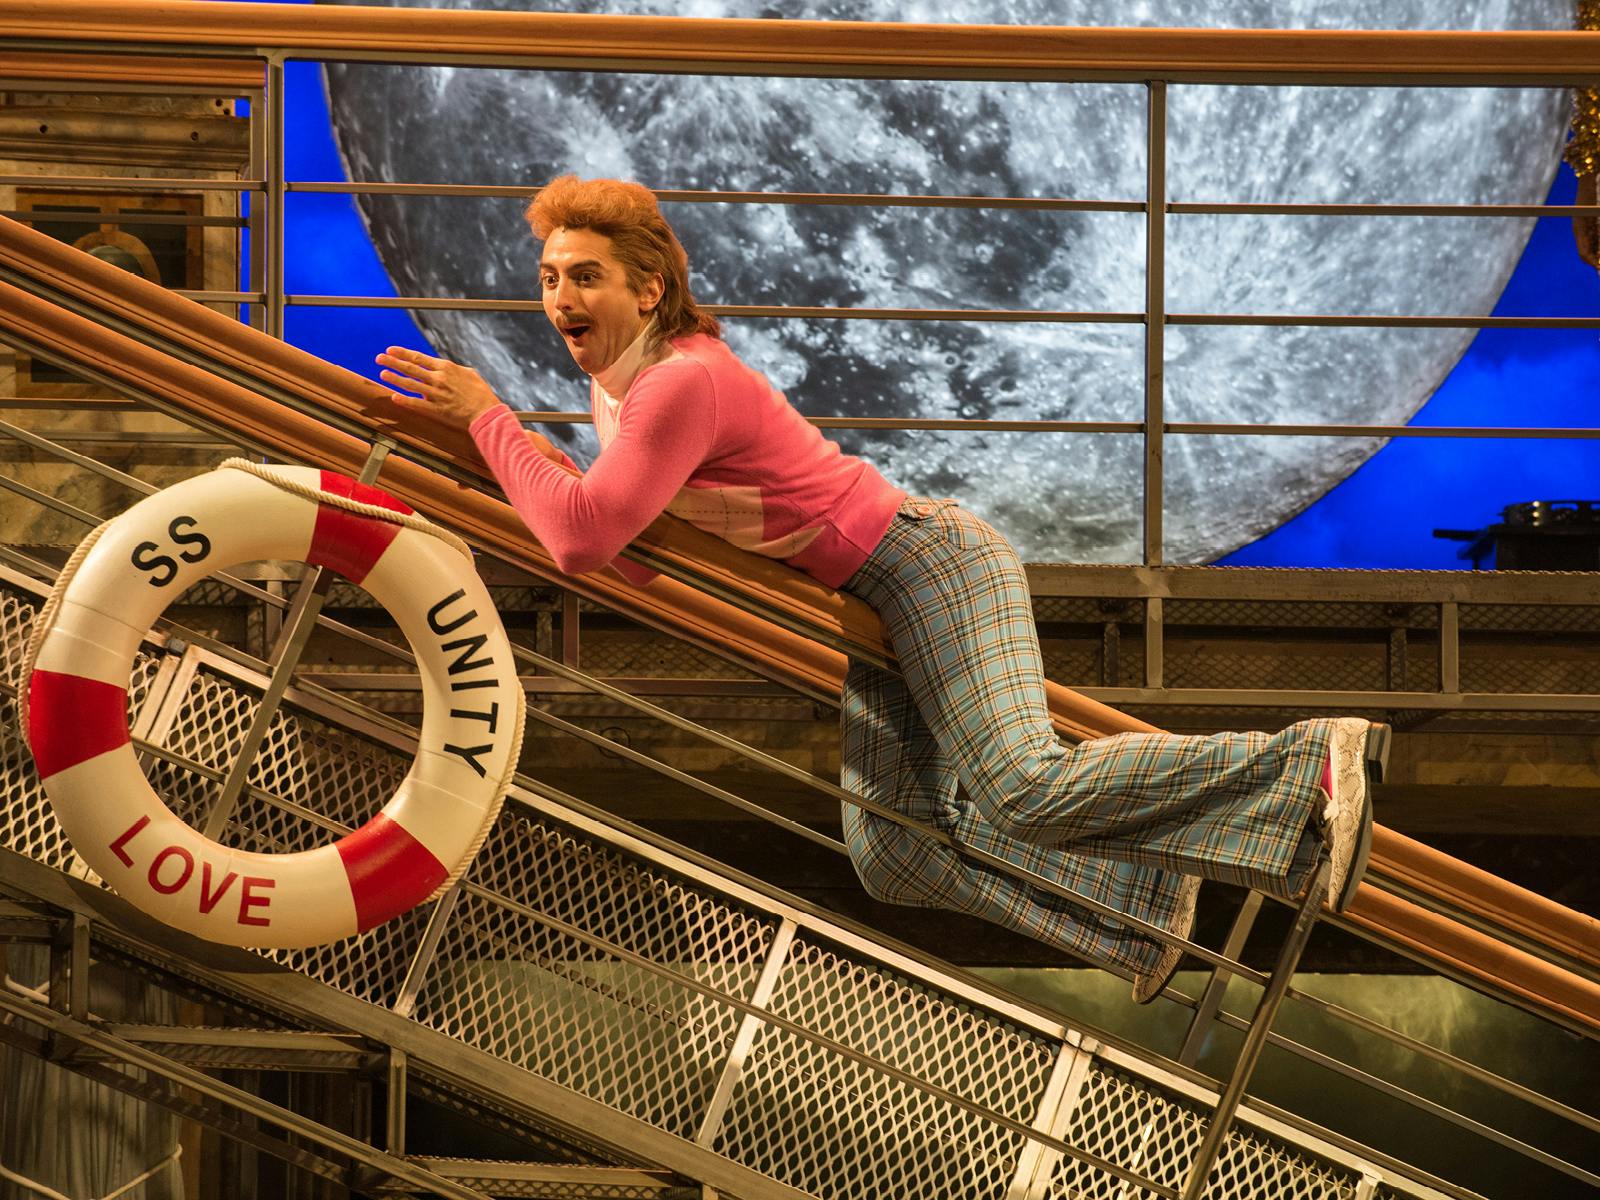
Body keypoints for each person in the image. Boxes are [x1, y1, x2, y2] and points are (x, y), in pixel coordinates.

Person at [375, 176, 1384, 1004]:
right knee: (895, 853)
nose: (559, 297)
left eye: (585, 276)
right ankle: (1141, 909)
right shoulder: (619, 391)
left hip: (925, 562)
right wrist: (545, 470)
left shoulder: (680, 380)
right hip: (867, 604)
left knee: (1020, 782)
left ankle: (1307, 767)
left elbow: (583, 539)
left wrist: (488, 421)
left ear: (648, 290)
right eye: (550, 277)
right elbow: (630, 544)